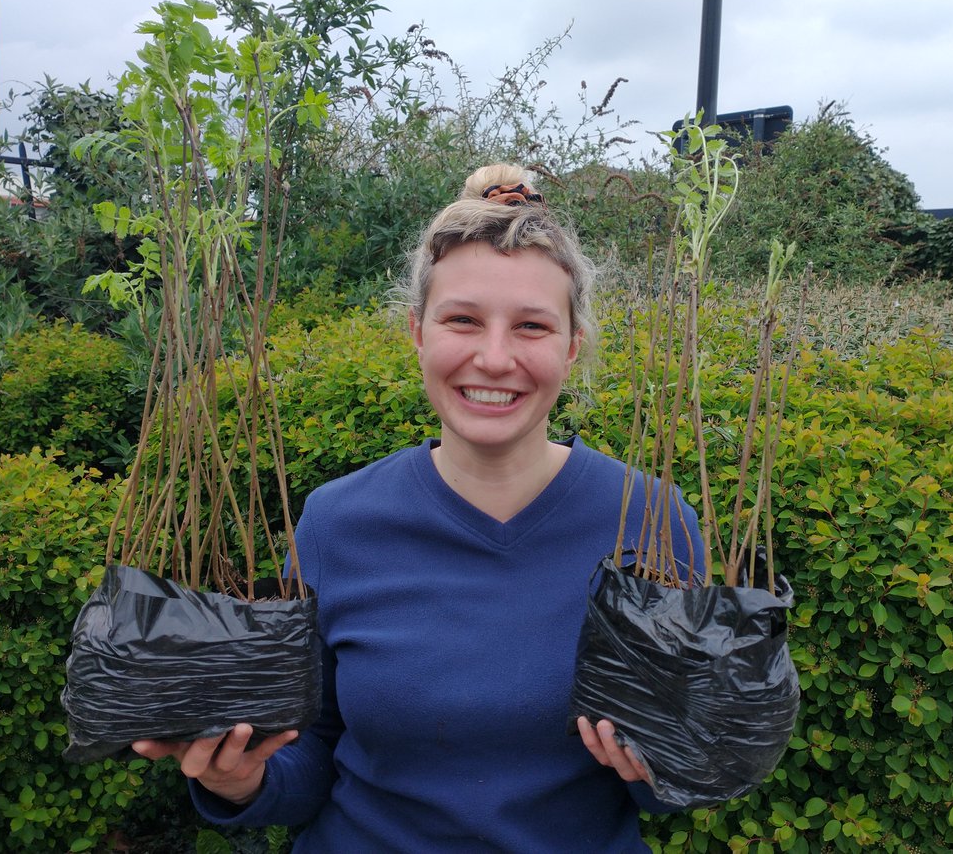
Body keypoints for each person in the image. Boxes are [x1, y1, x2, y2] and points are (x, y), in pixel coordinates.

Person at [132, 164, 702, 851]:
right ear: (418, 332)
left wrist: (668, 762)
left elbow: (673, 774)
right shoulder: (338, 523)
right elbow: (311, 747)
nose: (494, 358)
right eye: (462, 320)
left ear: (572, 346)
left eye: (531, 326)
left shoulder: (652, 520)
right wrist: (238, 781)